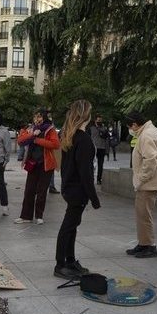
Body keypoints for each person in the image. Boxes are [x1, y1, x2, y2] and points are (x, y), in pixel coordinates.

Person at [54, 99, 100, 279]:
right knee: (68, 227)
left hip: (69, 188)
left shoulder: (69, 136)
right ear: (86, 116)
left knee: (72, 227)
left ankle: (70, 260)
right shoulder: (84, 140)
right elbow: (86, 173)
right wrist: (94, 198)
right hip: (77, 191)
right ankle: (60, 264)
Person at [125, 111, 157, 258]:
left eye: (130, 127)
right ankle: (143, 244)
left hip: (148, 183)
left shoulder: (147, 135)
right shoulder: (150, 131)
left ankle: (149, 246)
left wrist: (140, 179)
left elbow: (150, 161)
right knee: (142, 214)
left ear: (135, 124)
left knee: (144, 215)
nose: (130, 130)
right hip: (148, 182)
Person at [15, 109, 60, 225]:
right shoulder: (31, 129)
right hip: (33, 163)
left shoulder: (50, 129)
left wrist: (37, 140)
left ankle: (39, 216)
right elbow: (20, 140)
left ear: (44, 117)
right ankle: (25, 216)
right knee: (29, 190)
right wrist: (32, 135)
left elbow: (55, 144)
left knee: (42, 191)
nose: (37, 119)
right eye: (35, 117)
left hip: (46, 164)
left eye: (39, 117)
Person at [89, 115, 107, 185]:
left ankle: (99, 179)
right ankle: (91, 178)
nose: (100, 122)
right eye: (98, 120)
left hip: (102, 148)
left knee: (100, 164)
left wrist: (103, 132)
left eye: (101, 121)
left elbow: (106, 137)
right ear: (95, 121)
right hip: (93, 148)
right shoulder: (91, 128)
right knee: (92, 164)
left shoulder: (104, 128)